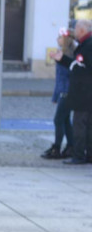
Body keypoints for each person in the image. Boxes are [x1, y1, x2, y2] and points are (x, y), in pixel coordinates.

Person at [55, 18, 92, 164]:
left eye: (75, 29)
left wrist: (66, 62)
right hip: (85, 92)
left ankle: (78, 155)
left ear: (82, 30)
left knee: (80, 125)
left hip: (84, 93)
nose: (74, 32)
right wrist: (62, 59)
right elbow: (77, 64)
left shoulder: (88, 45)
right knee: (87, 125)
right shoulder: (85, 44)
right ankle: (88, 154)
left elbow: (83, 68)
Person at [42, 26, 74, 159]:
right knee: (65, 120)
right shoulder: (62, 53)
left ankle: (57, 147)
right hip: (63, 91)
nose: (57, 39)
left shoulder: (68, 55)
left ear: (66, 39)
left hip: (67, 92)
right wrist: (56, 95)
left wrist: (60, 60)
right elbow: (59, 78)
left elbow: (68, 75)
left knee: (58, 120)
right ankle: (71, 146)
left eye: (60, 37)